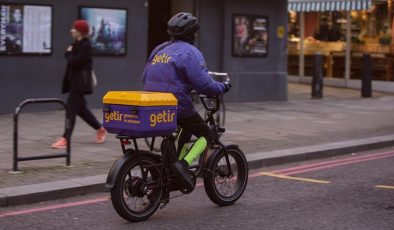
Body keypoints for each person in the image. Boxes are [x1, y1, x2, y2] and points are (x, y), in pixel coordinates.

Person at [142, 12, 231, 190]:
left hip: (152, 103)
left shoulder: (159, 49)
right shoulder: (191, 53)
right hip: (175, 104)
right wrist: (223, 87)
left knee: (186, 126)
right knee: (207, 134)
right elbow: (205, 85)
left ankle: (176, 167)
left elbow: (145, 77)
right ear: (193, 34)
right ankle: (183, 165)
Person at [51, 20, 106, 149]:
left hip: (80, 84)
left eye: (74, 29)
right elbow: (72, 60)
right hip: (74, 83)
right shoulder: (76, 44)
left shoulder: (85, 46)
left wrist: (68, 53)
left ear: (80, 31)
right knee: (82, 110)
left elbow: (75, 62)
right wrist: (69, 54)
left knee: (70, 111)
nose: (71, 30)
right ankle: (100, 129)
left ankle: (65, 138)